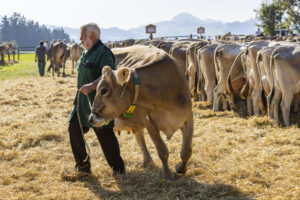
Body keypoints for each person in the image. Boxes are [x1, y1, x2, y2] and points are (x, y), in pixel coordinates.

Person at [67, 23, 125, 174]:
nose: (80, 39)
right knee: (74, 128)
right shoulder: (86, 52)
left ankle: (118, 169)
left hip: (99, 103)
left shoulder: (103, 52)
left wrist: (92, 86)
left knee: (104, 134)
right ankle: (83, 166)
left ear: (92, 36)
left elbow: (108, 74)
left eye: (82, 35)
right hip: (81, 102)